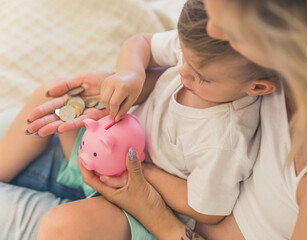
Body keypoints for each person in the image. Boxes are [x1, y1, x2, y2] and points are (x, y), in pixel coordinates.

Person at [75, 0, 307, 239]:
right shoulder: (249, 63)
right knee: (54, 104)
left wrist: (149, 205)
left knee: (65, 226)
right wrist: (131, 82)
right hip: (139, 179)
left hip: (163, 214)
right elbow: (179, 65)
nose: (211, 29)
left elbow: (205, 208)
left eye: (231, 30)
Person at [36, 0, 277, 238]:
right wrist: (131, 74)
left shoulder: (225, 139)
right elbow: (142, 42)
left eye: (201, 77)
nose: (182, 72)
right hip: (104, 155)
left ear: (257, 87)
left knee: (63, 226)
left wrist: (141, 172)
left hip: (140, 205)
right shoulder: (203, 44)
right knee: (51, 95)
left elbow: (206, 209)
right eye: (184, 57)